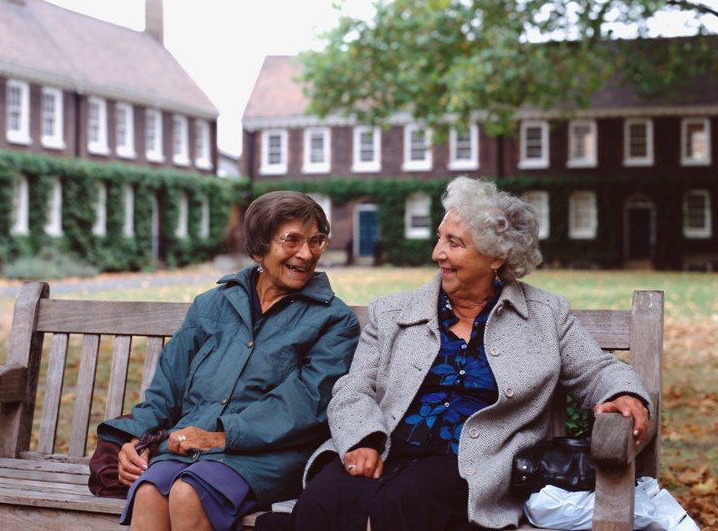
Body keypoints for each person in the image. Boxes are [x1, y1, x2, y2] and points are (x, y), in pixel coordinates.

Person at [263, 176, 650, 531]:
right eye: (440, 238)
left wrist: (623, 393)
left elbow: (596, 370)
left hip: (469, 463)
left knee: (405, 505)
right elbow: (354, 387)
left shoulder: (545, 316)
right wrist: (361, 440)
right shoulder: (393, 313)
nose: (437, 253)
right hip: (383, 447)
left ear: (496, 257)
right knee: (325, 498)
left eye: (454, 243)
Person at [98, 191, 360, 531]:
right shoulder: (211, 306)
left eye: (316, 241)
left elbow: (303, 406)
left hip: (271, 456)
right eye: (292, 240)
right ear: (259, 248)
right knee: (148, 490)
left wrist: (220, 437)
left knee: (189, 492)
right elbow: (166, 387)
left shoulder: (334, 320)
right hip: (189, 446)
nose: (307, 254)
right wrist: (135, 441)